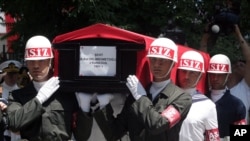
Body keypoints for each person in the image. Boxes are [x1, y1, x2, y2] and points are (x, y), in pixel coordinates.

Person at [75, 37, 192, 141]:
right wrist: (102, 106)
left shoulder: (182, 98)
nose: (156, 65)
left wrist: (140, 97)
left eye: (163, 61)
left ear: (173, 64)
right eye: (153, 59)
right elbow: (114, 133)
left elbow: (157, 125)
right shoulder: (136, 94)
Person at [0, 35, 79, 141]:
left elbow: (83, 135)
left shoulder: (67, 94)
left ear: (50, 61)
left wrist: (86, 110)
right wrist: (40, 98)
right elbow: (14, 123)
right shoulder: (16, 96)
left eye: (41, 60)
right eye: (31, 61)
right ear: (26, 63)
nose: (36, 65)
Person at [177, 50, 220, 141]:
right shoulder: (165, 97)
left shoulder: (208, 106)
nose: (186, 76)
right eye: (184, 71)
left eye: (192, 72)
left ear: (200, 76)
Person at [206, 54, 246, 140]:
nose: (215, 78)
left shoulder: (237, 105)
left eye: (220, 74)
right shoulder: (200, 100)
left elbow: (241, 137)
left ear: (228, 76)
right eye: (213, 74)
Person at [226, 25, 250, 124]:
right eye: (236, 62)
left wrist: (238, 34)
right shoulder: (218, 85)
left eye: (243, 64)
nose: (239, 64)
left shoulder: (246, 87)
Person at [0, 60, 22, 141]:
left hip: (18, 132)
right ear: (4, 74)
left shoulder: (23, 90)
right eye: (9, 74)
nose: (12, 77)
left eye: (14, 73)